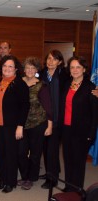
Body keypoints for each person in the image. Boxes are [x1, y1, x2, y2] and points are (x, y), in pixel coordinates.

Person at [60, 56, 98, 192]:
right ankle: (68, 185)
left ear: (84, 69)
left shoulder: (91, 87)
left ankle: (76, 189)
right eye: (72, 67)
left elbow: (95, 114)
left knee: (79, 161)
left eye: (78, 67)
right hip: (66, 128)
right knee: (68, 158)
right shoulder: (66, 84)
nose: (75, 70)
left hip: (82, 131)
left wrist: (92, 133)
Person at [0, 55, 30, 193]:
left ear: (15, 69)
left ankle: (11, 182)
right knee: (0, 153)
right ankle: (2, 180)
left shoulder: (20, 84)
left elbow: (25, 106)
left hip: (12, 125)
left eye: (10, 66)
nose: (7, 69)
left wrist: (20, 126)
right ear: (1, 68)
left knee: (10, 154)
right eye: (4, 66)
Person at [17, 57, 53, 190]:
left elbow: (48, 107)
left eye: (33, 68)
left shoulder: (42, 85)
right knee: (21, 152)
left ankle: (31, 178)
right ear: (24, 69)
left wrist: (49, 126)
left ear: (36, 70)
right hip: (21, 125)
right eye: (27, 67)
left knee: (35, 154)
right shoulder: (19, 83)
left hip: (38, 124)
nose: (30, 70)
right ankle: (25, 176)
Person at [39, 49, 69, 189]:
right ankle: (51, 171)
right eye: (49, 58)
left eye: (54, 59)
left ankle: (53, 178)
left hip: (57, 118)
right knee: (45, 147)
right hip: (43, 117)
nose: (50, 61)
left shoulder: (65, 75)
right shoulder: (41, 74)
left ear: (60, 62)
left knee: (52, 148)